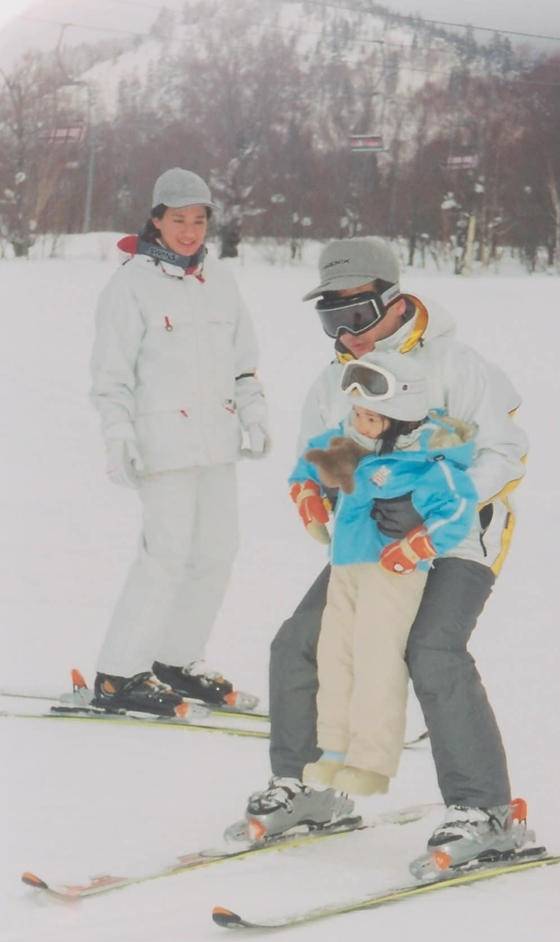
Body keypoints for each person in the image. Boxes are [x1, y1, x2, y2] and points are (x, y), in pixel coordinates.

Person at [236, 235, 529, 871]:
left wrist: (433, 516)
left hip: (458, 534)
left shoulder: (457, 364)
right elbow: (332, 450)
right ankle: (311, 785)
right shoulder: (334, 379)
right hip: (372, 542)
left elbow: (504, 454)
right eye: (331, 318)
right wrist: (314, 489)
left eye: (358, 315)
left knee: (431, 647)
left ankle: (486, 811)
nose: (347, 333)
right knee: (299, 643)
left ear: (394, 303)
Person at [89, 168, 269, 716]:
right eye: (178, 220)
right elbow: (110, 377)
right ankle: (120, 673)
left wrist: (255, 415)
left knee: (216, 552)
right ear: (156, 220)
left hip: (216, 444)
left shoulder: (221, 281)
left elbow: (245, 365)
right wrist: (119, 435)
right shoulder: (130, 286)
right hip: (162, 446)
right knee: (163, 557)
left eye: (198, 220)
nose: (189, 231)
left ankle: (175, 659)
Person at [277, 354, 478, 811]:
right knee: (334, 656)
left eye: (370, 417)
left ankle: (371, 761)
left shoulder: (426, 462)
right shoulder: (349, 444)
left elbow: (458, 509)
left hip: (391, 572)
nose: (359, 424)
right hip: (347, 565)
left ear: (399, 419)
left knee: (376, 659)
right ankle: (334, 751)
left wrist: (415, 547)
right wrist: (307, 495)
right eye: (357, 414)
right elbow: (307, 465)